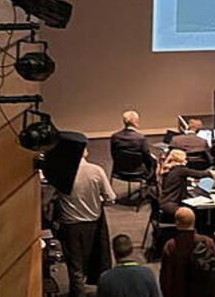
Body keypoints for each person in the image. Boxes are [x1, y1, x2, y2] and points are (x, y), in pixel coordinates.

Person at [56, 146, 116, 297]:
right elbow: (111, 198)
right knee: (98, 260)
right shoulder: (96, 171)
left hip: (69, 225)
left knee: (75, 266)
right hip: (94, 224)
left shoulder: (60, 172)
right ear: (84, 152)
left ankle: (78, 293)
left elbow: (47, 199)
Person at [160, 208, 215, 297]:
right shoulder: (208, 242)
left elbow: (166, 278)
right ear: (194, 222)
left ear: (177, 223)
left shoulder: (171, 246)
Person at [158, 150, 215, 217]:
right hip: (173, 204)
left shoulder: (167, 170)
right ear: (181, 159)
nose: (186, 161)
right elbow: (200, 174)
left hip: (164, 203)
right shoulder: (180, 170)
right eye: (185, 158)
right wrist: (212, 173)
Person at [109, 110, 156, 181]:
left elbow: (114, 155)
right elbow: (146, 157)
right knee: (154, 161)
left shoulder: (115, 137)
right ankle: (151, 184)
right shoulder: (140, 138)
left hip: (119, 171)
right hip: (138, 172)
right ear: (135, 121)